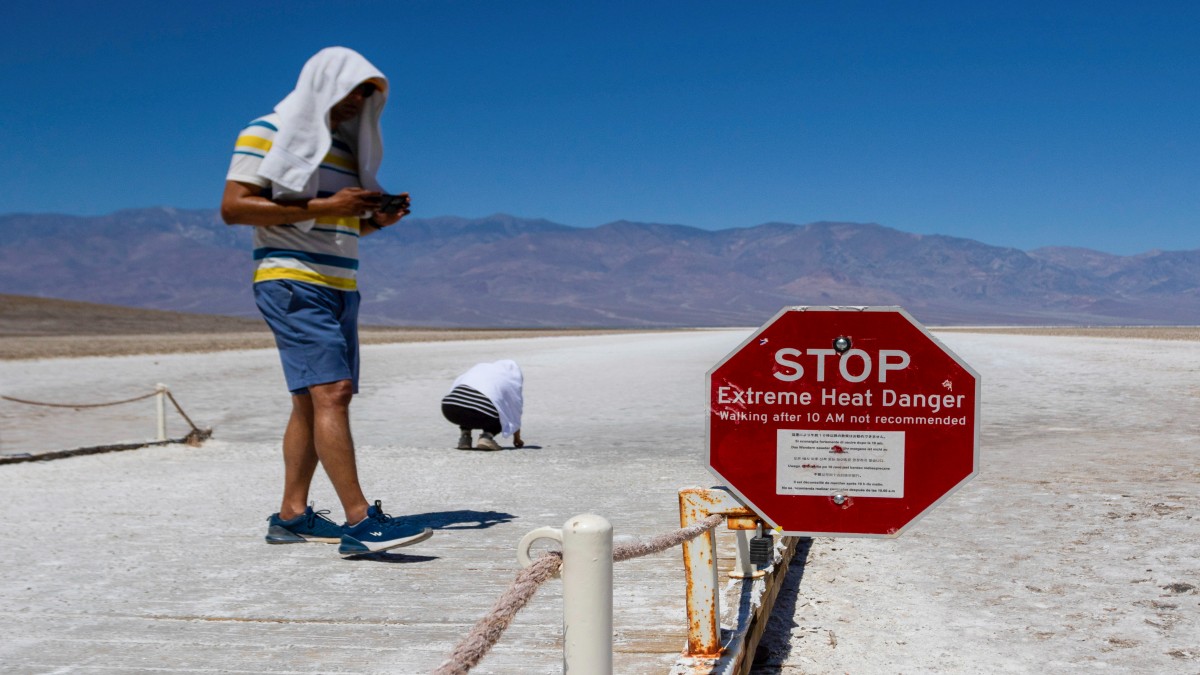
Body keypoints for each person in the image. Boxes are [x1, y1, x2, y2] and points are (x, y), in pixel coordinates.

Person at [220, 46, 431, 557]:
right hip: (290, 280)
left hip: (340, 283)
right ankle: (361, 522)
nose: (357, 106)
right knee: (332, 392)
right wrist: (329, 204)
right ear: (323, 85)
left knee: (311, 400)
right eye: (350, 94)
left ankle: (291, 516)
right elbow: (234, 207)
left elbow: (330, 223)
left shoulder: (347, 150)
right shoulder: (267, 132)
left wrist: (374, 221)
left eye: (366, 98)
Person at [441, 360, 526, 451]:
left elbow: (456, 386)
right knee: (503, 414)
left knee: (468, 404)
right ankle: (487, 437)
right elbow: (515, 412)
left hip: (449, 408)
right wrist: (517, 438)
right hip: (480, 412)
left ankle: (465, 438)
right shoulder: (509, 382)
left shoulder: (480, 368)